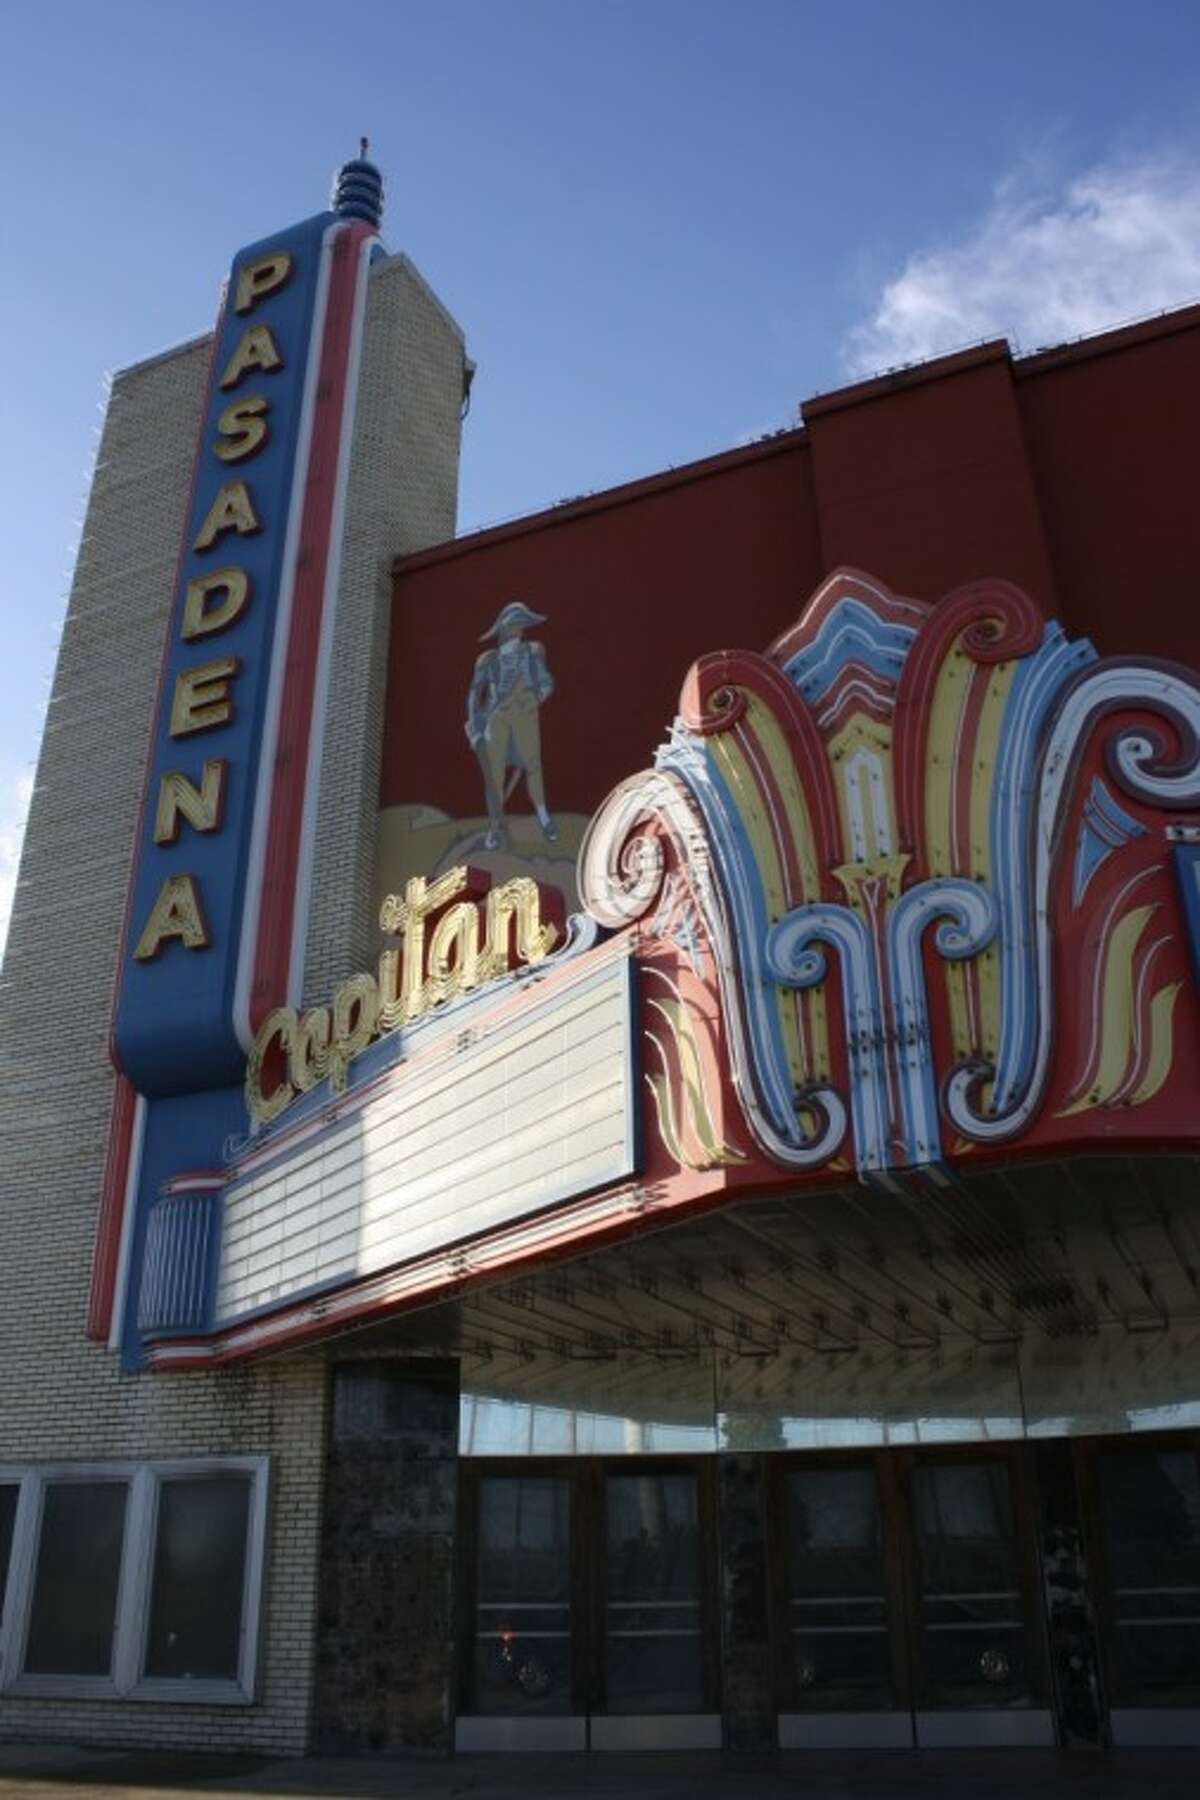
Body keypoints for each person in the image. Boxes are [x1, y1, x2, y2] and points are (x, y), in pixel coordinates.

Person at [466, 601, 557, 849]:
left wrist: (537, 698)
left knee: (533, 765)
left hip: (525, 714)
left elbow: (546, 682)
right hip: (498, 717)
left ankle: (543, 815)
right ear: (503, 628)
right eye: (514, 624)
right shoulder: (487, 659)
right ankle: (495, 827)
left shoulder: (532, 651)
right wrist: (475, 727)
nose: (518, 629)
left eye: (521, 624)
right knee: (494, 774)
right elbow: (475, 695)